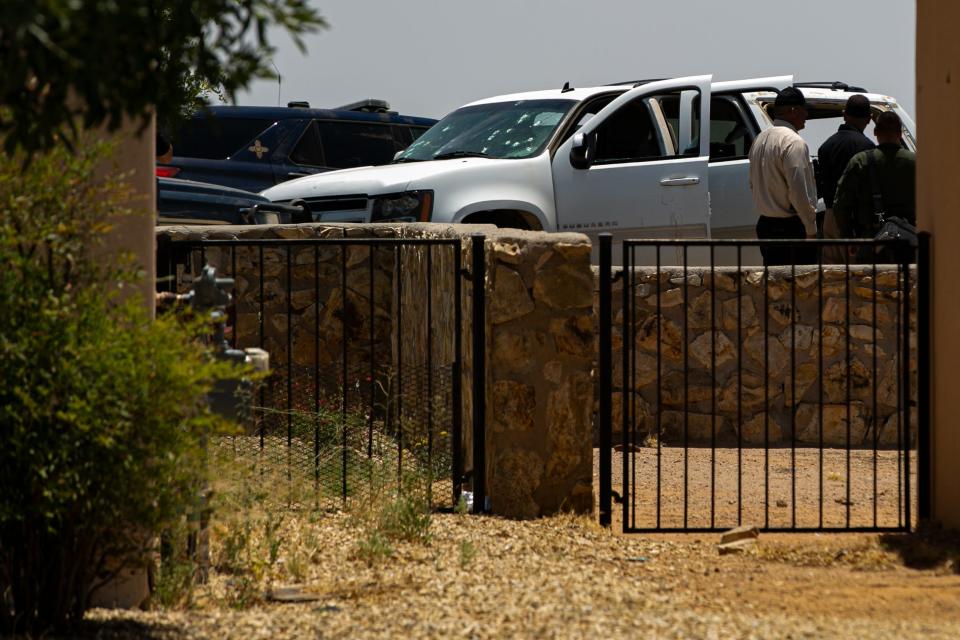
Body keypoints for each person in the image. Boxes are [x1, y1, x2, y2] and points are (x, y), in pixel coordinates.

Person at [748, 87, 818, 266]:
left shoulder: (760, 139)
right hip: (790, 228)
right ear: (793, 111)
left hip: (765, 226)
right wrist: (810, 229)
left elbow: (752, 184)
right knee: (799, 288)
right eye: (804, 109)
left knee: (774, 286)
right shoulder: (794, 142)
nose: (806, 115)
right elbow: (798, 191)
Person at [832, 111, 915, 259]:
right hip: (910, 241)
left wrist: (848, 238)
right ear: (900, 133)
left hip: (870, 242)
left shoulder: (860, 161)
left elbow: (841, 204)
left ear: (875, 132)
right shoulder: (916, 162)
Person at [817, 95, 876, 261]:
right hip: (855, 220)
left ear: (844, 114)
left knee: (831, 275)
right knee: (857, 275)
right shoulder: (867, 147)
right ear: (870, 119)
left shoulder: (825, 146)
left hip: (829, 216)